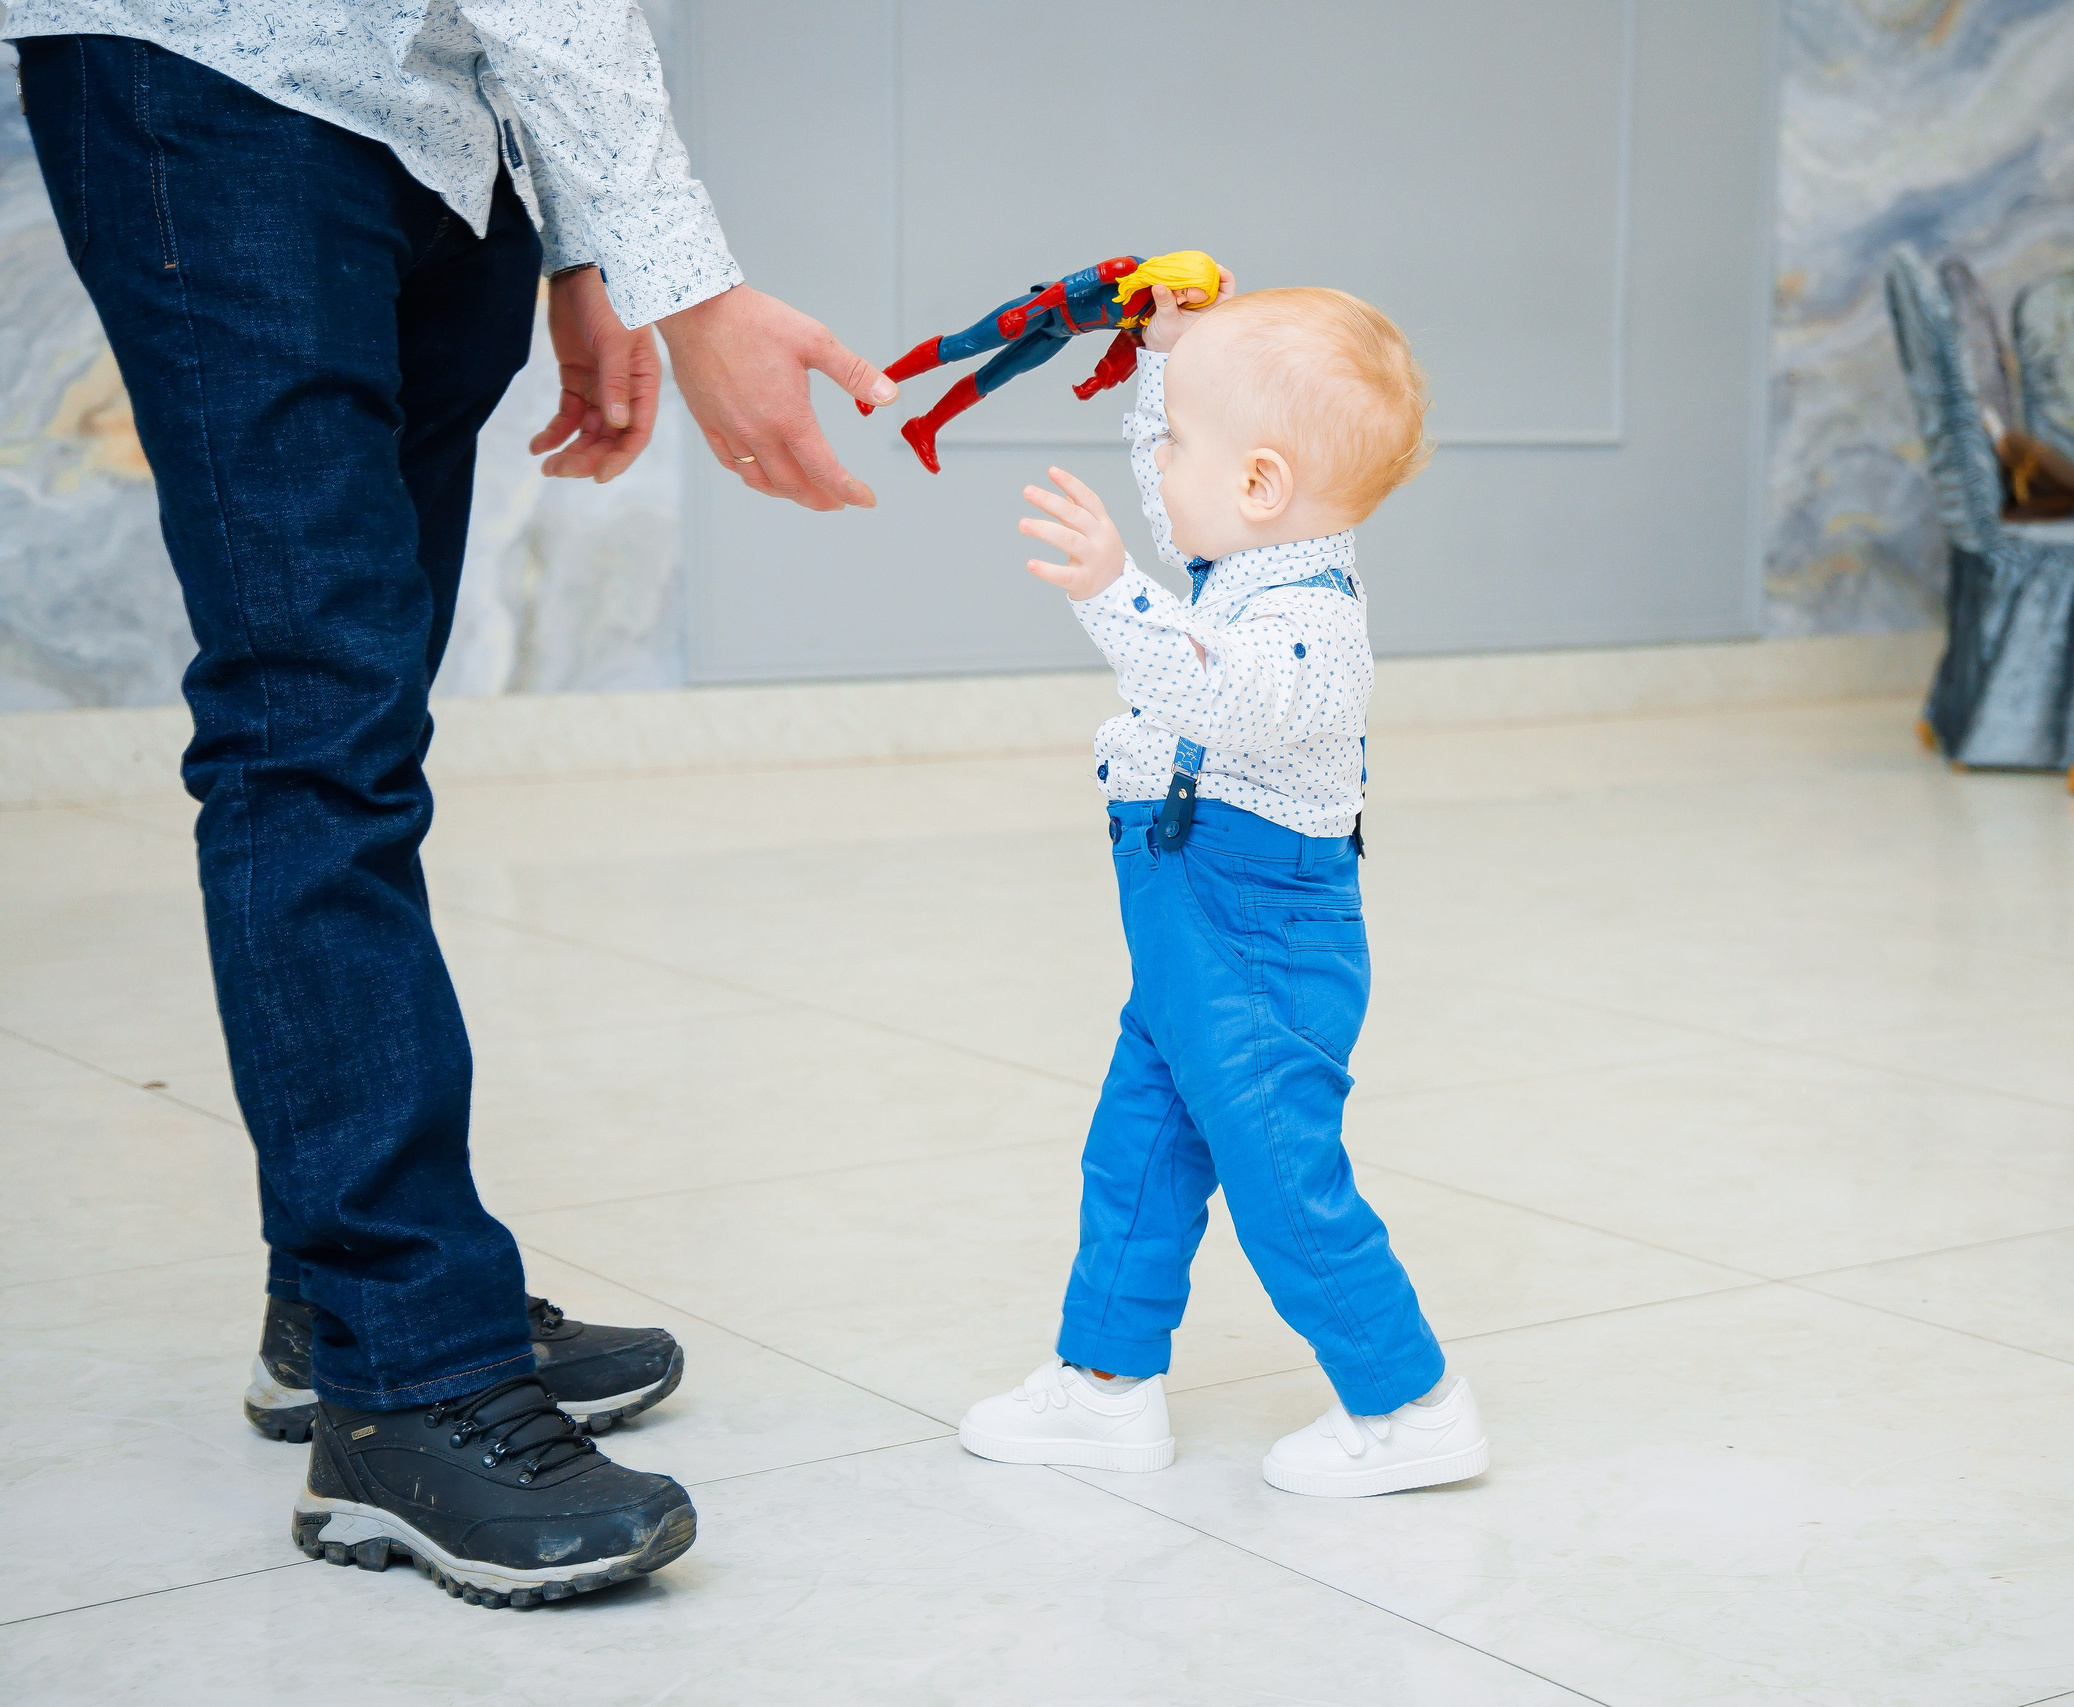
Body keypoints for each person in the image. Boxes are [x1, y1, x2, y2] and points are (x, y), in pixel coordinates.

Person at [5, 1, 894, 1608]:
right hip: (219, 82)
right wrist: (689, 283)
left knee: (363, 722)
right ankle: (404, 1365)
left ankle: (332, 1292)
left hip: (441, 127)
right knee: (310, 727)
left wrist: (578, 243)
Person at [957, 280, 1493, 1497]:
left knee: (1279, 1177)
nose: (1154, 466)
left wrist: (1110, 590)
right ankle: (1104, 1382)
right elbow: (1184, 506)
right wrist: (1165, 362)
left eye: (1177, 442)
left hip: (1258, 934)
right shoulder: (1249, 553)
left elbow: (1216, 691)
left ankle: (1410, 1403)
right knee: (1137, 1149)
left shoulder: (1309, 624)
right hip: (1190, 922)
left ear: (1257, 483)